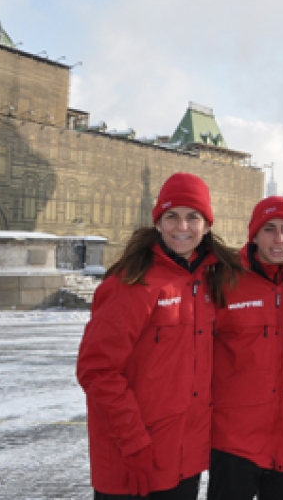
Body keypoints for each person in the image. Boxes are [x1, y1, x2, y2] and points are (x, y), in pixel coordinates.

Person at [76, 173, 242, 499]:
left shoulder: (208, 281)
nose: (182, 227)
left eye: (193, 217)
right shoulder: (132, 282)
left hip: (183, 460)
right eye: (172, 217)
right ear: (158, 223)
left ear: (207, 225)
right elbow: (97, 370)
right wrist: (134, 443)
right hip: (134, 458)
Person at [208, 196, 283, 499]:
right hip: (235, 440)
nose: (279, 239)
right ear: (254, 234)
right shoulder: (224, 277)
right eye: (269, 228)